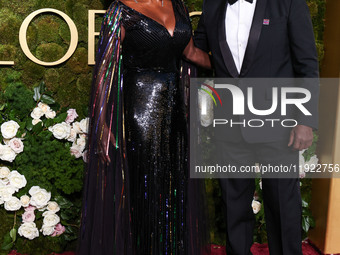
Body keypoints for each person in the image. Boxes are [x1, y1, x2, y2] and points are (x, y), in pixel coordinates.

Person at [78, 0, 211, 254]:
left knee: (173, 190)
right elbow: (106, 68)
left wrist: (236, 68)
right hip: (138, 112)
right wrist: (103, 124)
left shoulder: (178, 5)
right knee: (144, 191)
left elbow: (191, 53)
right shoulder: (121, 10)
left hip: (174, 113)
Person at [194, 0, 319, 254]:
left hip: (278, 125)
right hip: (229, 125)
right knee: (233, 209)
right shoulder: (212, 6)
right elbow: (196, 51)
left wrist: (306, 120)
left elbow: (306, 63)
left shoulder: (289, 4)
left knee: (284, 207)